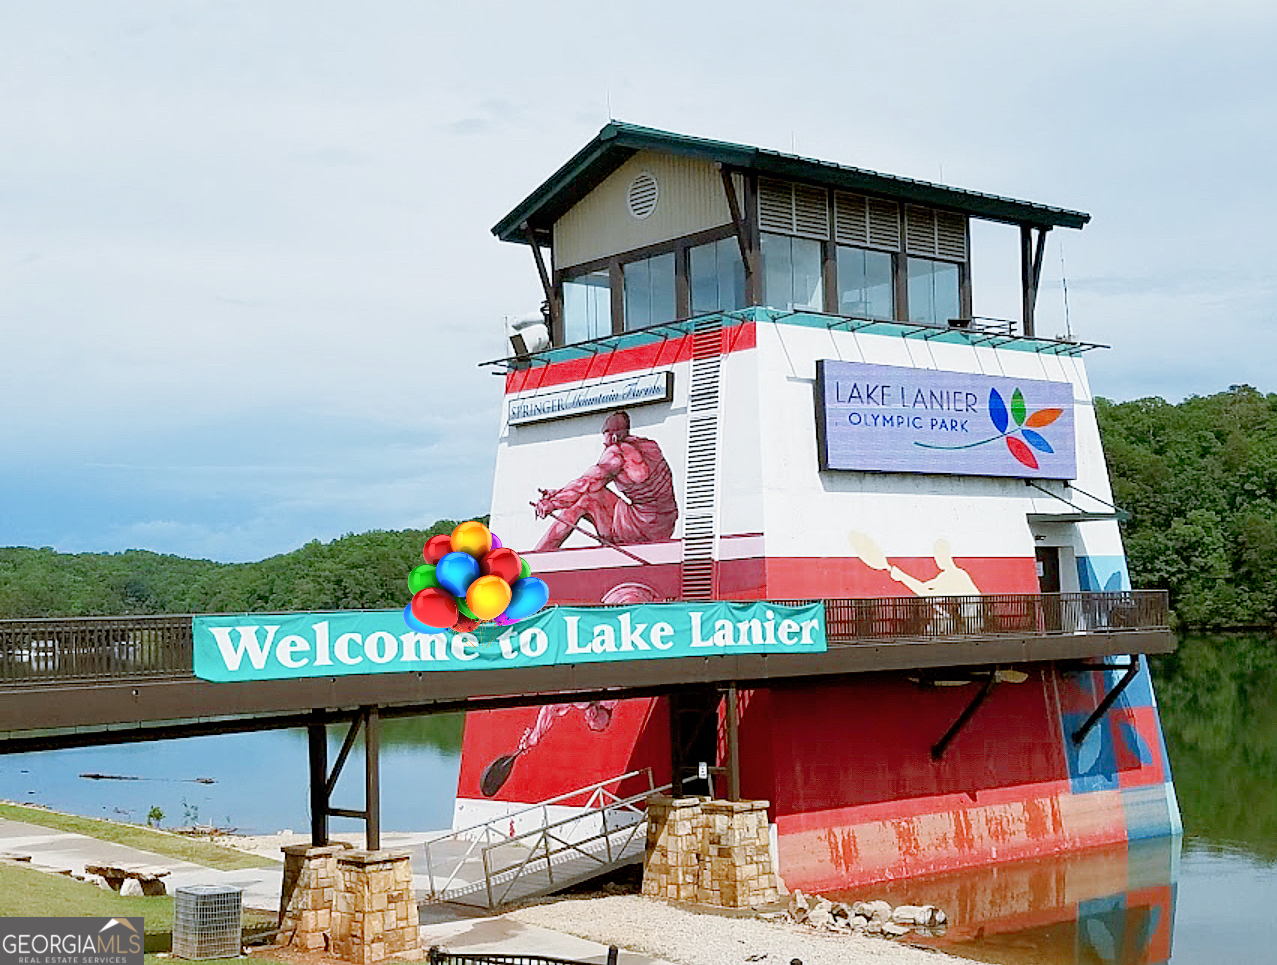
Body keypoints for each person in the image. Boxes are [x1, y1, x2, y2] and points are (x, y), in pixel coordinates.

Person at [534, 410, 678, 551]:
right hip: (665, 526)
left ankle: (538, 556)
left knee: (587, 496)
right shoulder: (649, 446)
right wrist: (559, 493)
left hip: (642, 528)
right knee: (586, 492)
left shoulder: (616, 454)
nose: (604, 447)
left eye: (605, 442)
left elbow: (587, 483)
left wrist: (552, 503)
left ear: (613, 437)